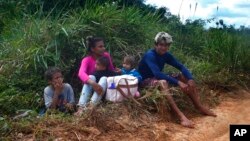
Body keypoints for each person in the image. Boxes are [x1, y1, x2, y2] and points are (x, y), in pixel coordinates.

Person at [138, 32, 216, 128]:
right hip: (145, 80)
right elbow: (157, 74)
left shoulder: (166, 55)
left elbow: (180, 66)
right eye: (161, 45)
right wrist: (178, 83)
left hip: (156, 77)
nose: (164, 48)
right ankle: (181, 117)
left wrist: (190, 79)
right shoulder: (150, 55)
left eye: (166, 45)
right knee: (163, 82)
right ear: (156, 45)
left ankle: (199, 106)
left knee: (182, 76)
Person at [75, 36, 115, 116]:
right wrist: (93, 84)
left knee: (104, 78)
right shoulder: (87, 60)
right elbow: (81, 73)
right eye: (100, 46)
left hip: (103, 88)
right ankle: (81, 108)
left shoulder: (106, 56)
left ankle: (91, 107)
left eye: (103, 46)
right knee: (91, 77)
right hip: (92, 89)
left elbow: (111, 71)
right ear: (93, 49)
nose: (103, 48)